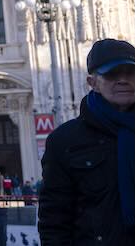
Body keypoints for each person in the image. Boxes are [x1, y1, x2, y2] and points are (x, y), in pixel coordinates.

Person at [38, 38, 135, 245]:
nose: (123, 80)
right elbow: (54, 220)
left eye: (131, 73)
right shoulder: (65, 141)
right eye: (112, 74)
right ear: (93, 83)